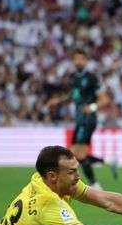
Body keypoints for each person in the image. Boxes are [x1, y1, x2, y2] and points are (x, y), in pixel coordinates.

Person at [48, 48, 116, 189]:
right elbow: (73, 96)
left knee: (76, 155)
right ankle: (107, 163)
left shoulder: (91, 78)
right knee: (76, 155)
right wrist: (58, 101)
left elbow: (105, 100)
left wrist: (91, 107)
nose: (78, 61)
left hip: (88, 119)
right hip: (79, 120)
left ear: (86, 61)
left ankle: (96, 185)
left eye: (81, 59)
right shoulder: (73, 77)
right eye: (76, 59)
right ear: (73, 60)